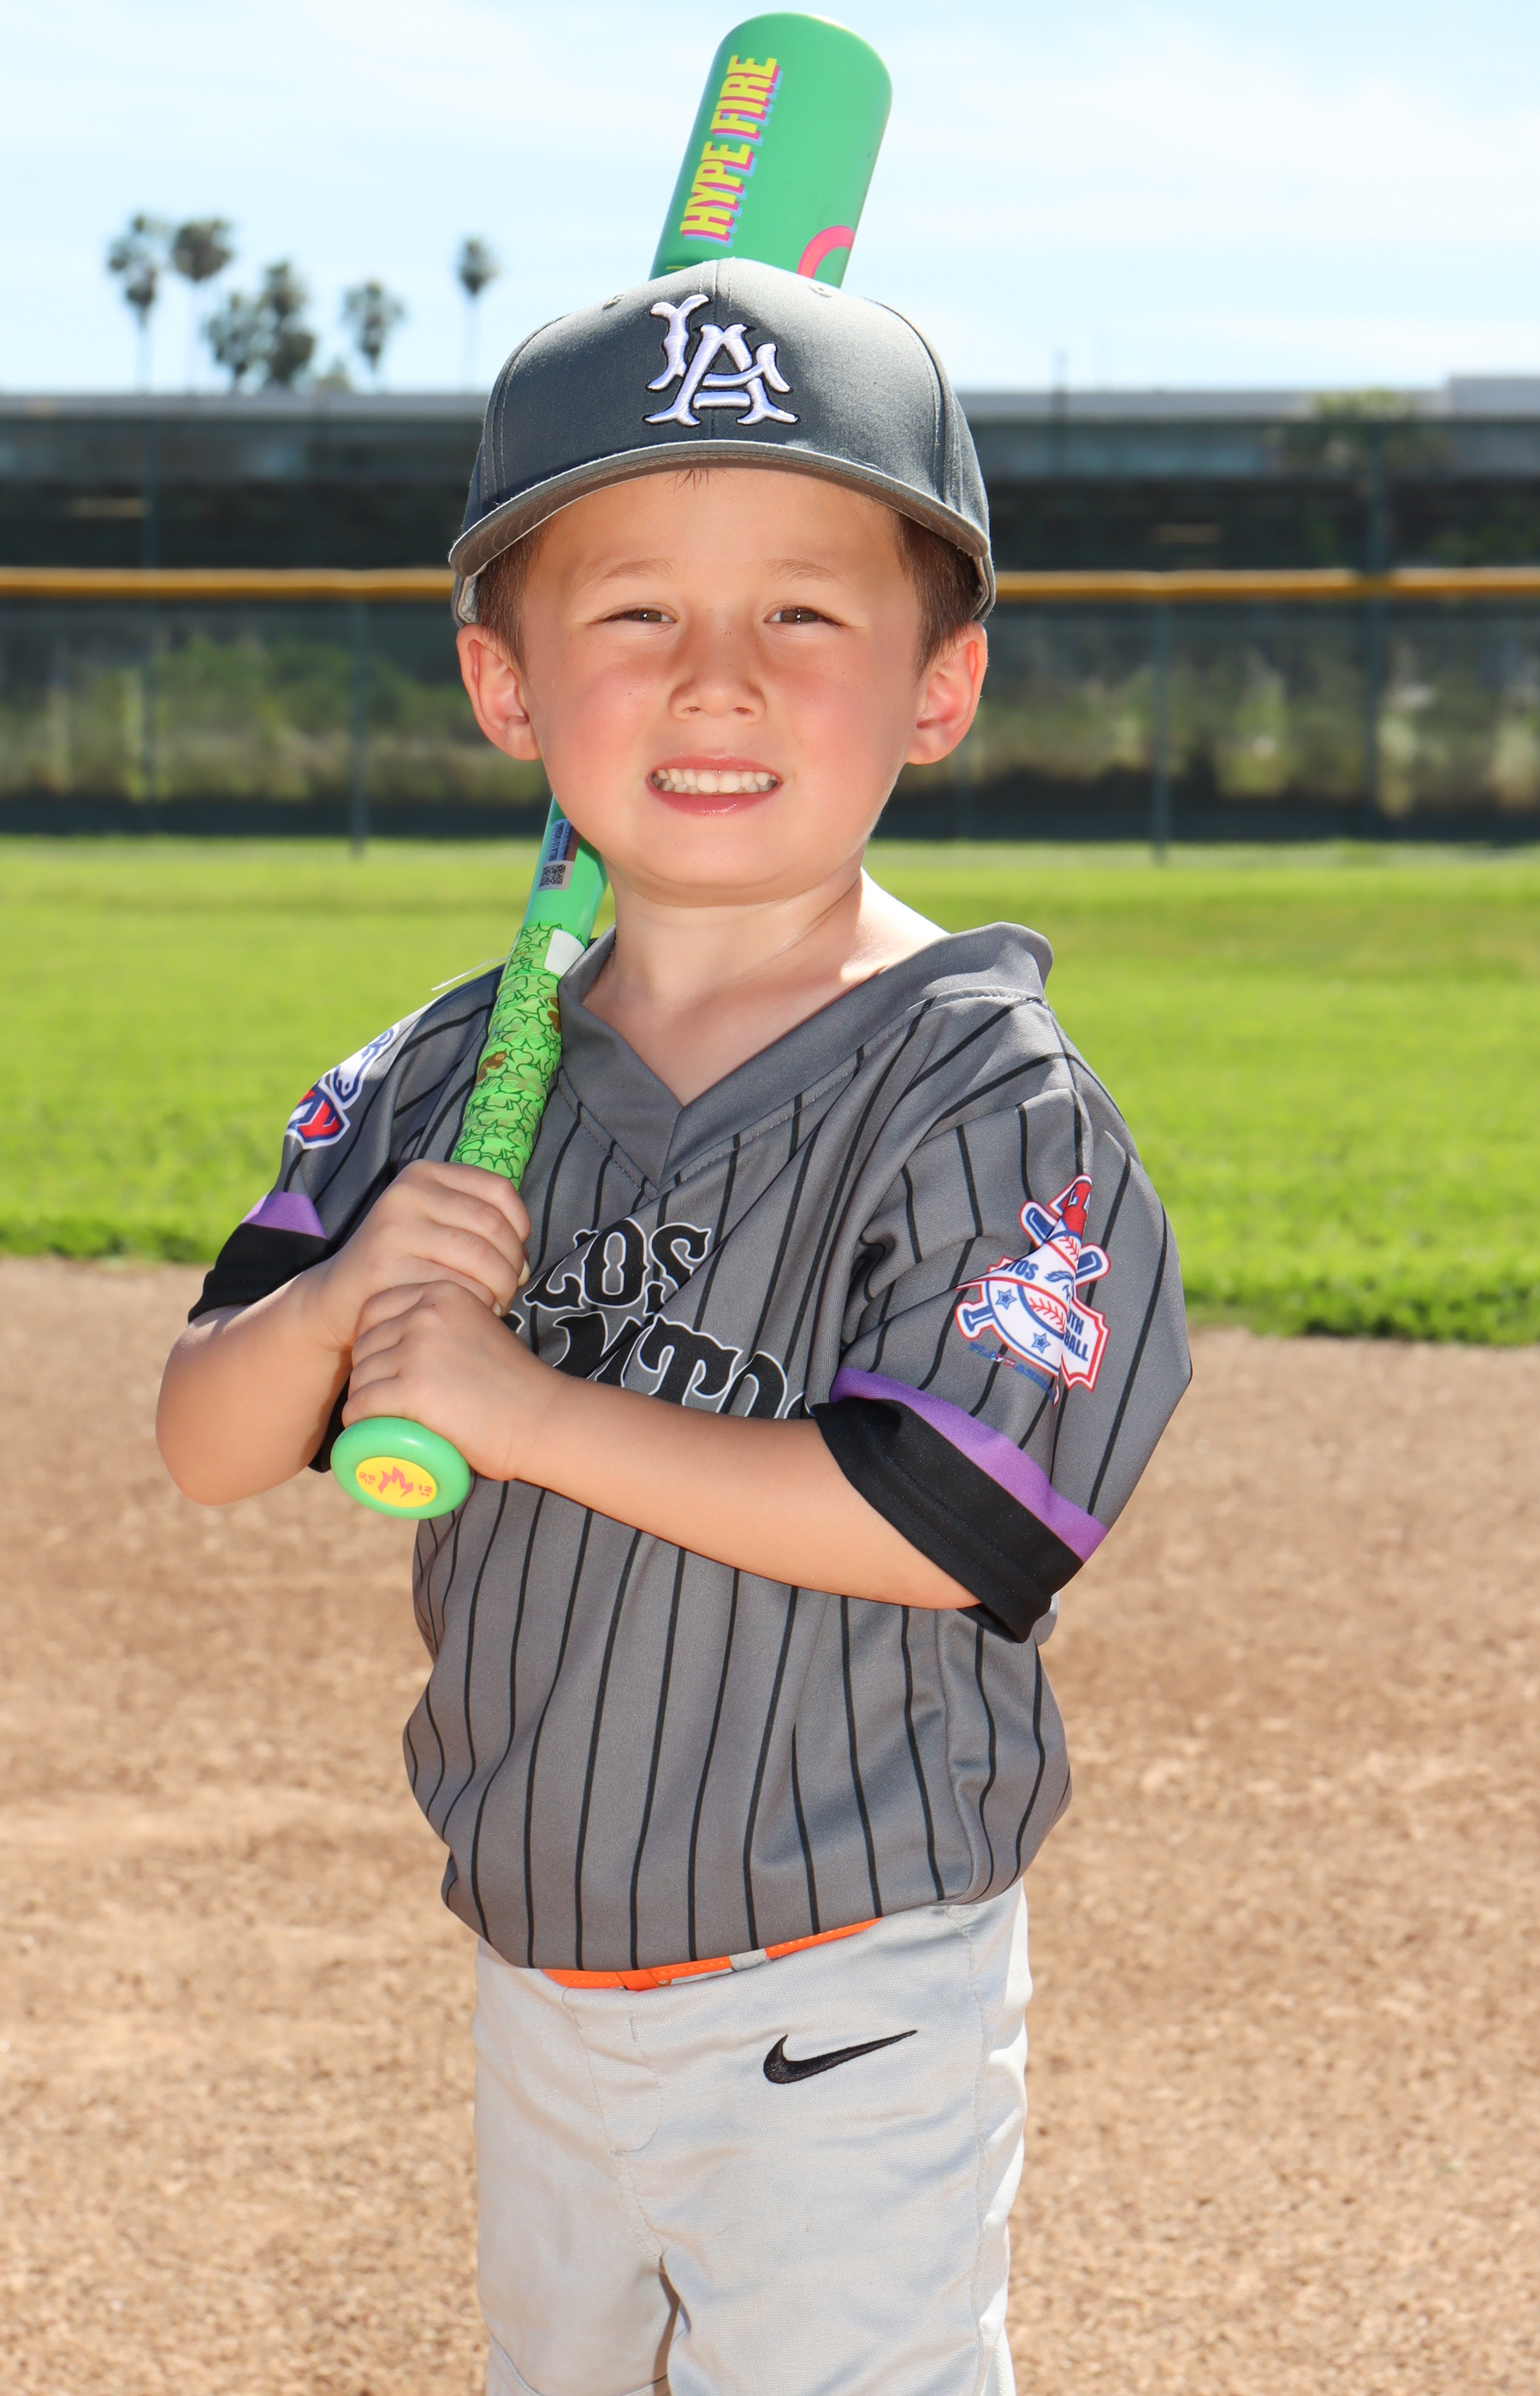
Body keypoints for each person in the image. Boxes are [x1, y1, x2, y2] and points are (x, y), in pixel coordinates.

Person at [157, 260, 1190, 2396]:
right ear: (505, 684)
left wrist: (518, 1403)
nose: (717, 679)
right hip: (539, 1961)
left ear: (939, 685)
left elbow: (952, 1520)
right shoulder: (461, 1065)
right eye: (633, 611)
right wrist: (349, 1297)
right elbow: (207, 1430)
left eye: (803, 612)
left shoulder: (986, 1097)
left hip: (852, 1975)